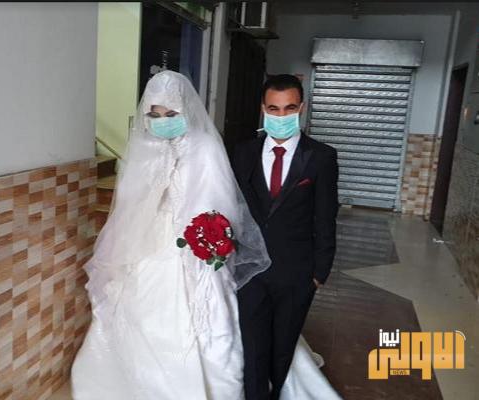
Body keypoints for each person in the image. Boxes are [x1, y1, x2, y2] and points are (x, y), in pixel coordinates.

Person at [71, 71, 341, 400]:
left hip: (201, 246)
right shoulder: (147, 149)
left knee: (248, 333)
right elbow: (129, 204)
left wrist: (318, 272)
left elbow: (226, 203)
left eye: (171, 113)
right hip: (152, 244)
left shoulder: (208, 148)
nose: (163, 120)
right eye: (155, 114)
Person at [231, 74, 340, 400]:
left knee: (282, 348)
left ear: (301, 108)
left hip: (297, 271)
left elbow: (325, 216)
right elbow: (232, 206)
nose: (281, 116)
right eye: (274, 109)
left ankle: (276, 392)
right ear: (263, 109)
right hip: (250, 269)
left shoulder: (321, 156)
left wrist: (319, 272)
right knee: (253, 347)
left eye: (289, 108)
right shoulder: (243, 152)